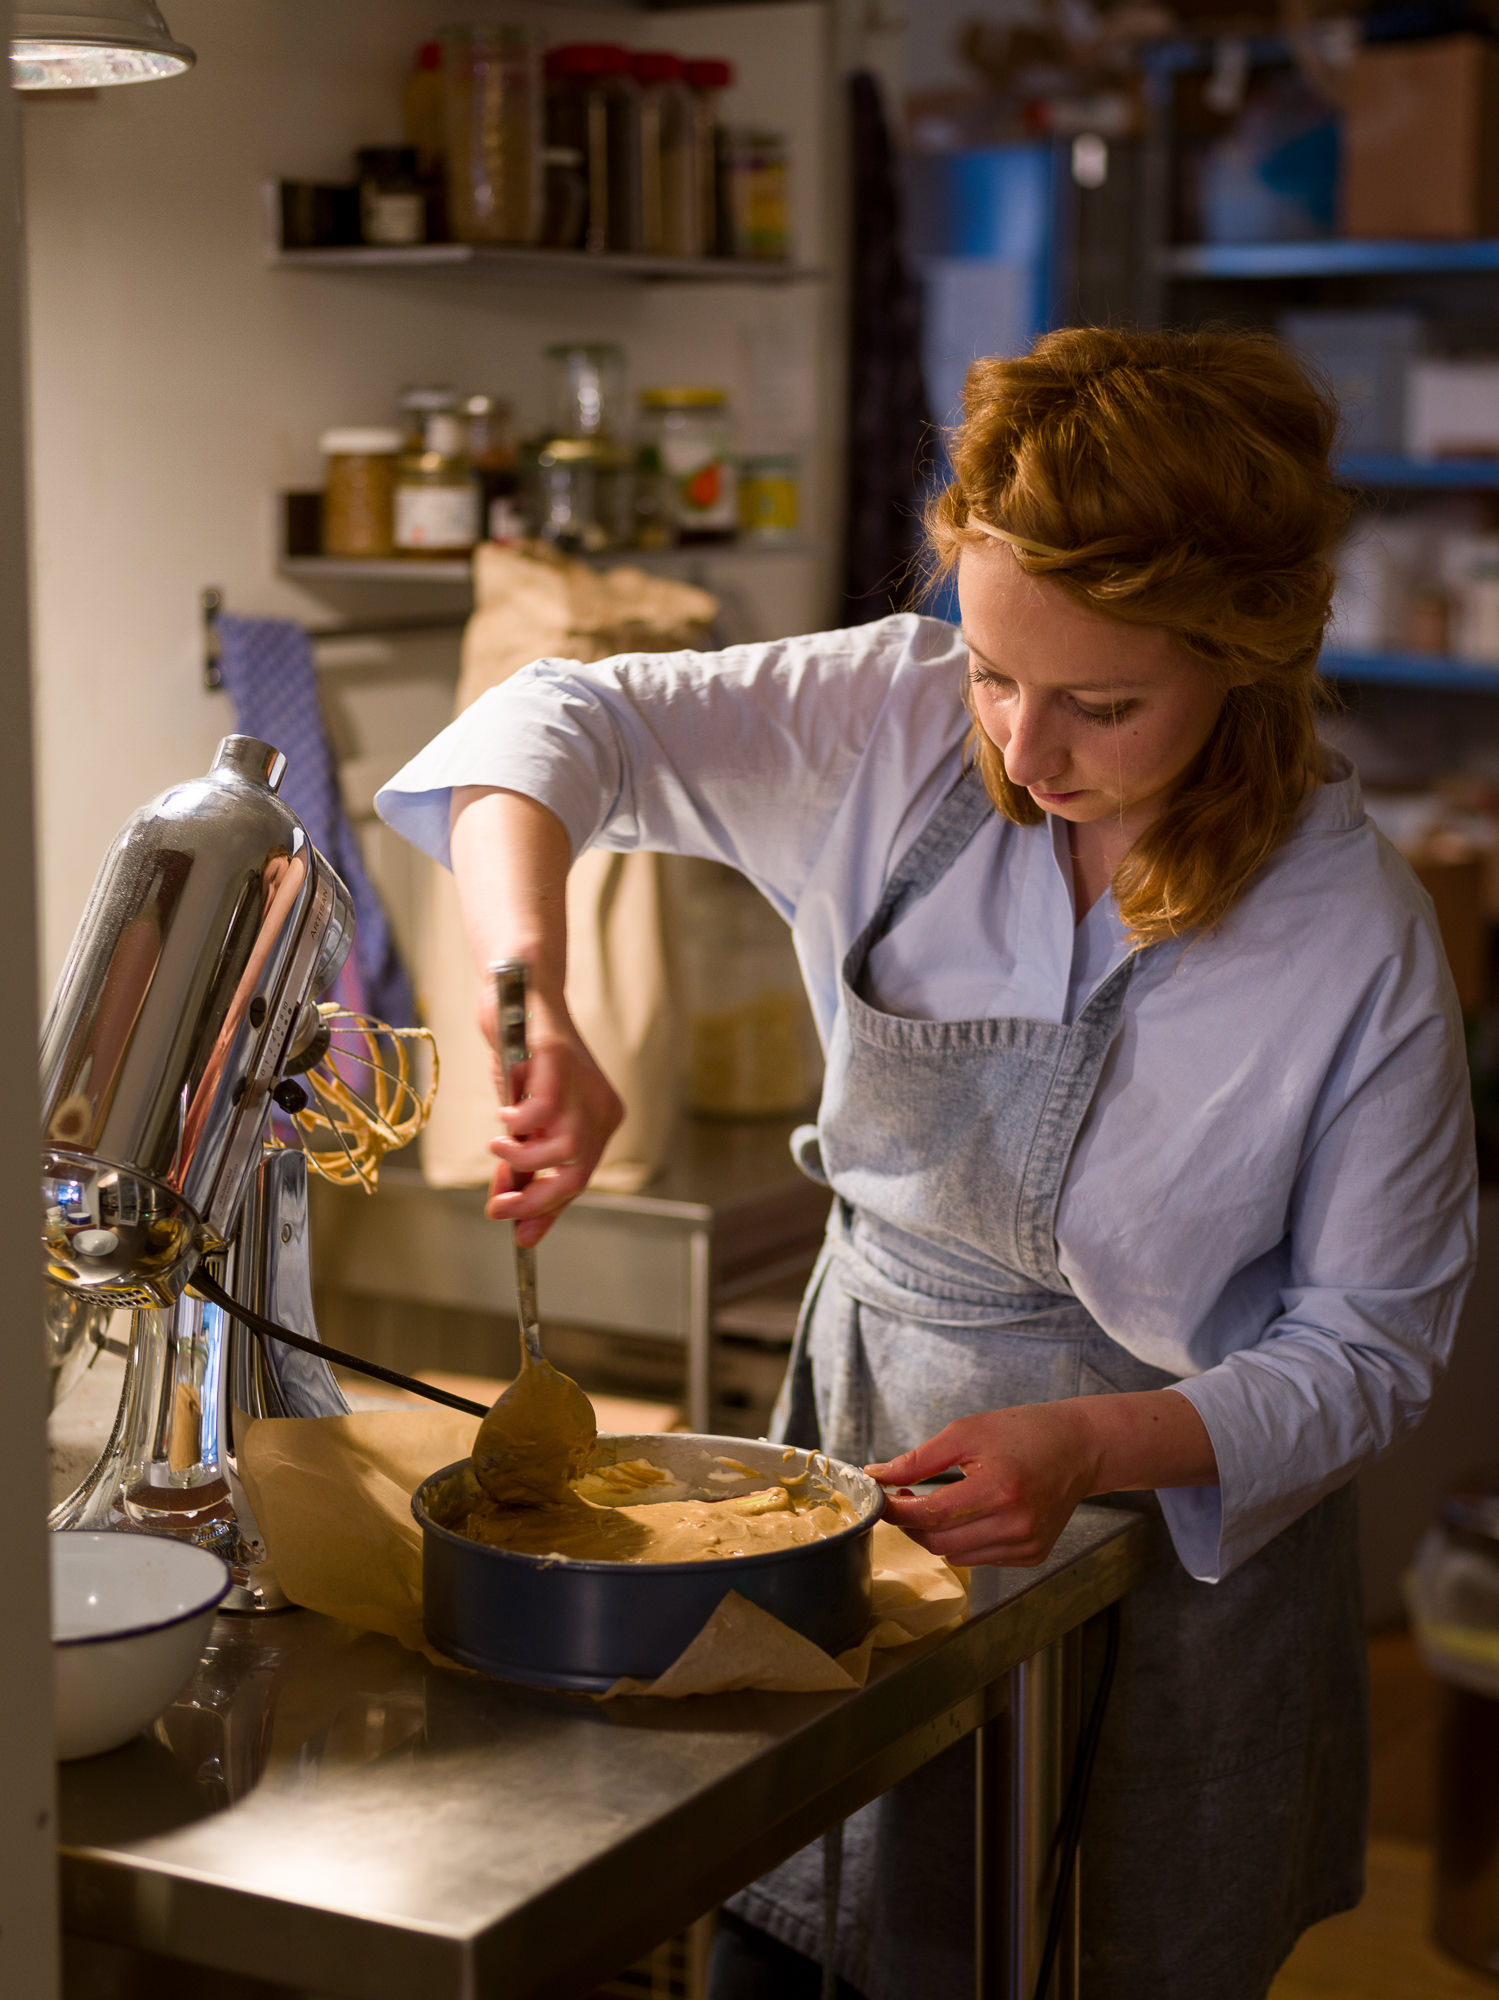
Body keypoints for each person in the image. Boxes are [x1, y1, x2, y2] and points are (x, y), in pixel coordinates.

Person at [376, 326, 1477, 2000]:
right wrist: (536, 992)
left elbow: (1373, 1350)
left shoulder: (1355, 942)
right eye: (992, 670)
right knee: (829, 1941)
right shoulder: (885, 720)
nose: (1024, 752)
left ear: (1246, 655)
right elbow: (552, 723)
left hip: (1180, 1549)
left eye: (1103, 704)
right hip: (869, 1487)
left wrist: (1100, 1437)